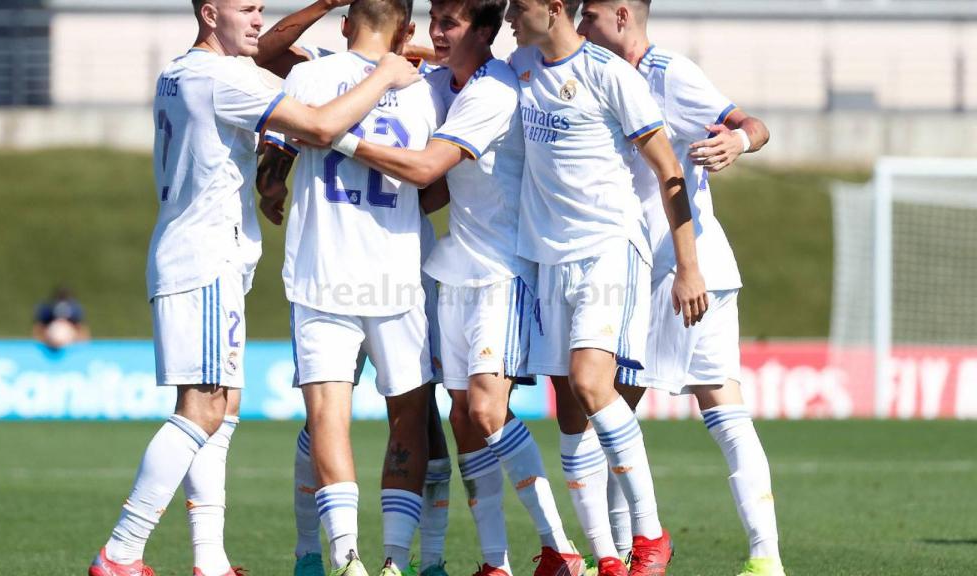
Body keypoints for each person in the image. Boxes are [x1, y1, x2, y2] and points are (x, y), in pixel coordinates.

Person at [87, 1, 422, 575]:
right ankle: (122, 551)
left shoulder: (181, 69)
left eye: (262, 8)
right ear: (210, 12)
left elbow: (267, 56)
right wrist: (387, 72)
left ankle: (210, 560)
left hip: (199, 254)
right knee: (201, 409)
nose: (258, 19)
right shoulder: (222, 78)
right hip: (204, 256)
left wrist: (320, 10)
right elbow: (319, 126)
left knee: (223, 408)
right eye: (246, 8)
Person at [343, 0, 584, 574]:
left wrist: (343, 141)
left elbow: (429, 170)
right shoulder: (451, 82)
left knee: (485, 410)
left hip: (502, 270)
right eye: (433, 20)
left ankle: (561, 548)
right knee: (461, 420)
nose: (436, 32)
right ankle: (495, 562)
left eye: (450, 23)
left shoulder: (492, 91)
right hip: (456, 269)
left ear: (484, 30)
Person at [576, 2, 783, 575]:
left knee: (714, 408)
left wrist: (737, 144)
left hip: (689, 270)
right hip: (643, 270)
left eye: (588, 15)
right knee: (621, 413)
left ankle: (763, 559)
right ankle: (621, 557)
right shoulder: (592, 72)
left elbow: (752, 125)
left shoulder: (668, 72)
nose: (579, 26)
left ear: (622, 16)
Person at [504, 0, 708, 574]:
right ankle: (607, 560)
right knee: (569, 413)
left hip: (608, 249)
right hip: (549, 258)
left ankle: (650, 536)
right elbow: (456, 63)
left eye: (518, 8)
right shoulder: (520, 64)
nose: (509, 20)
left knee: (594, 384)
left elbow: (669, 170)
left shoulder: (609, 74)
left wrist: (689, 267)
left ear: (553, 7)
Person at [253, 6, 453, 576]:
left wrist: (274, 180)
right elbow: (435, 194)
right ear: (408, 30)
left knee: (326, 420)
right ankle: (395, 559)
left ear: (346, 24)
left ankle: (341, 558)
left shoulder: (311, 77)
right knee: (409, 422)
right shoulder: (428, 91)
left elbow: (265, 69)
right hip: (399, 277)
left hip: (322, 271)